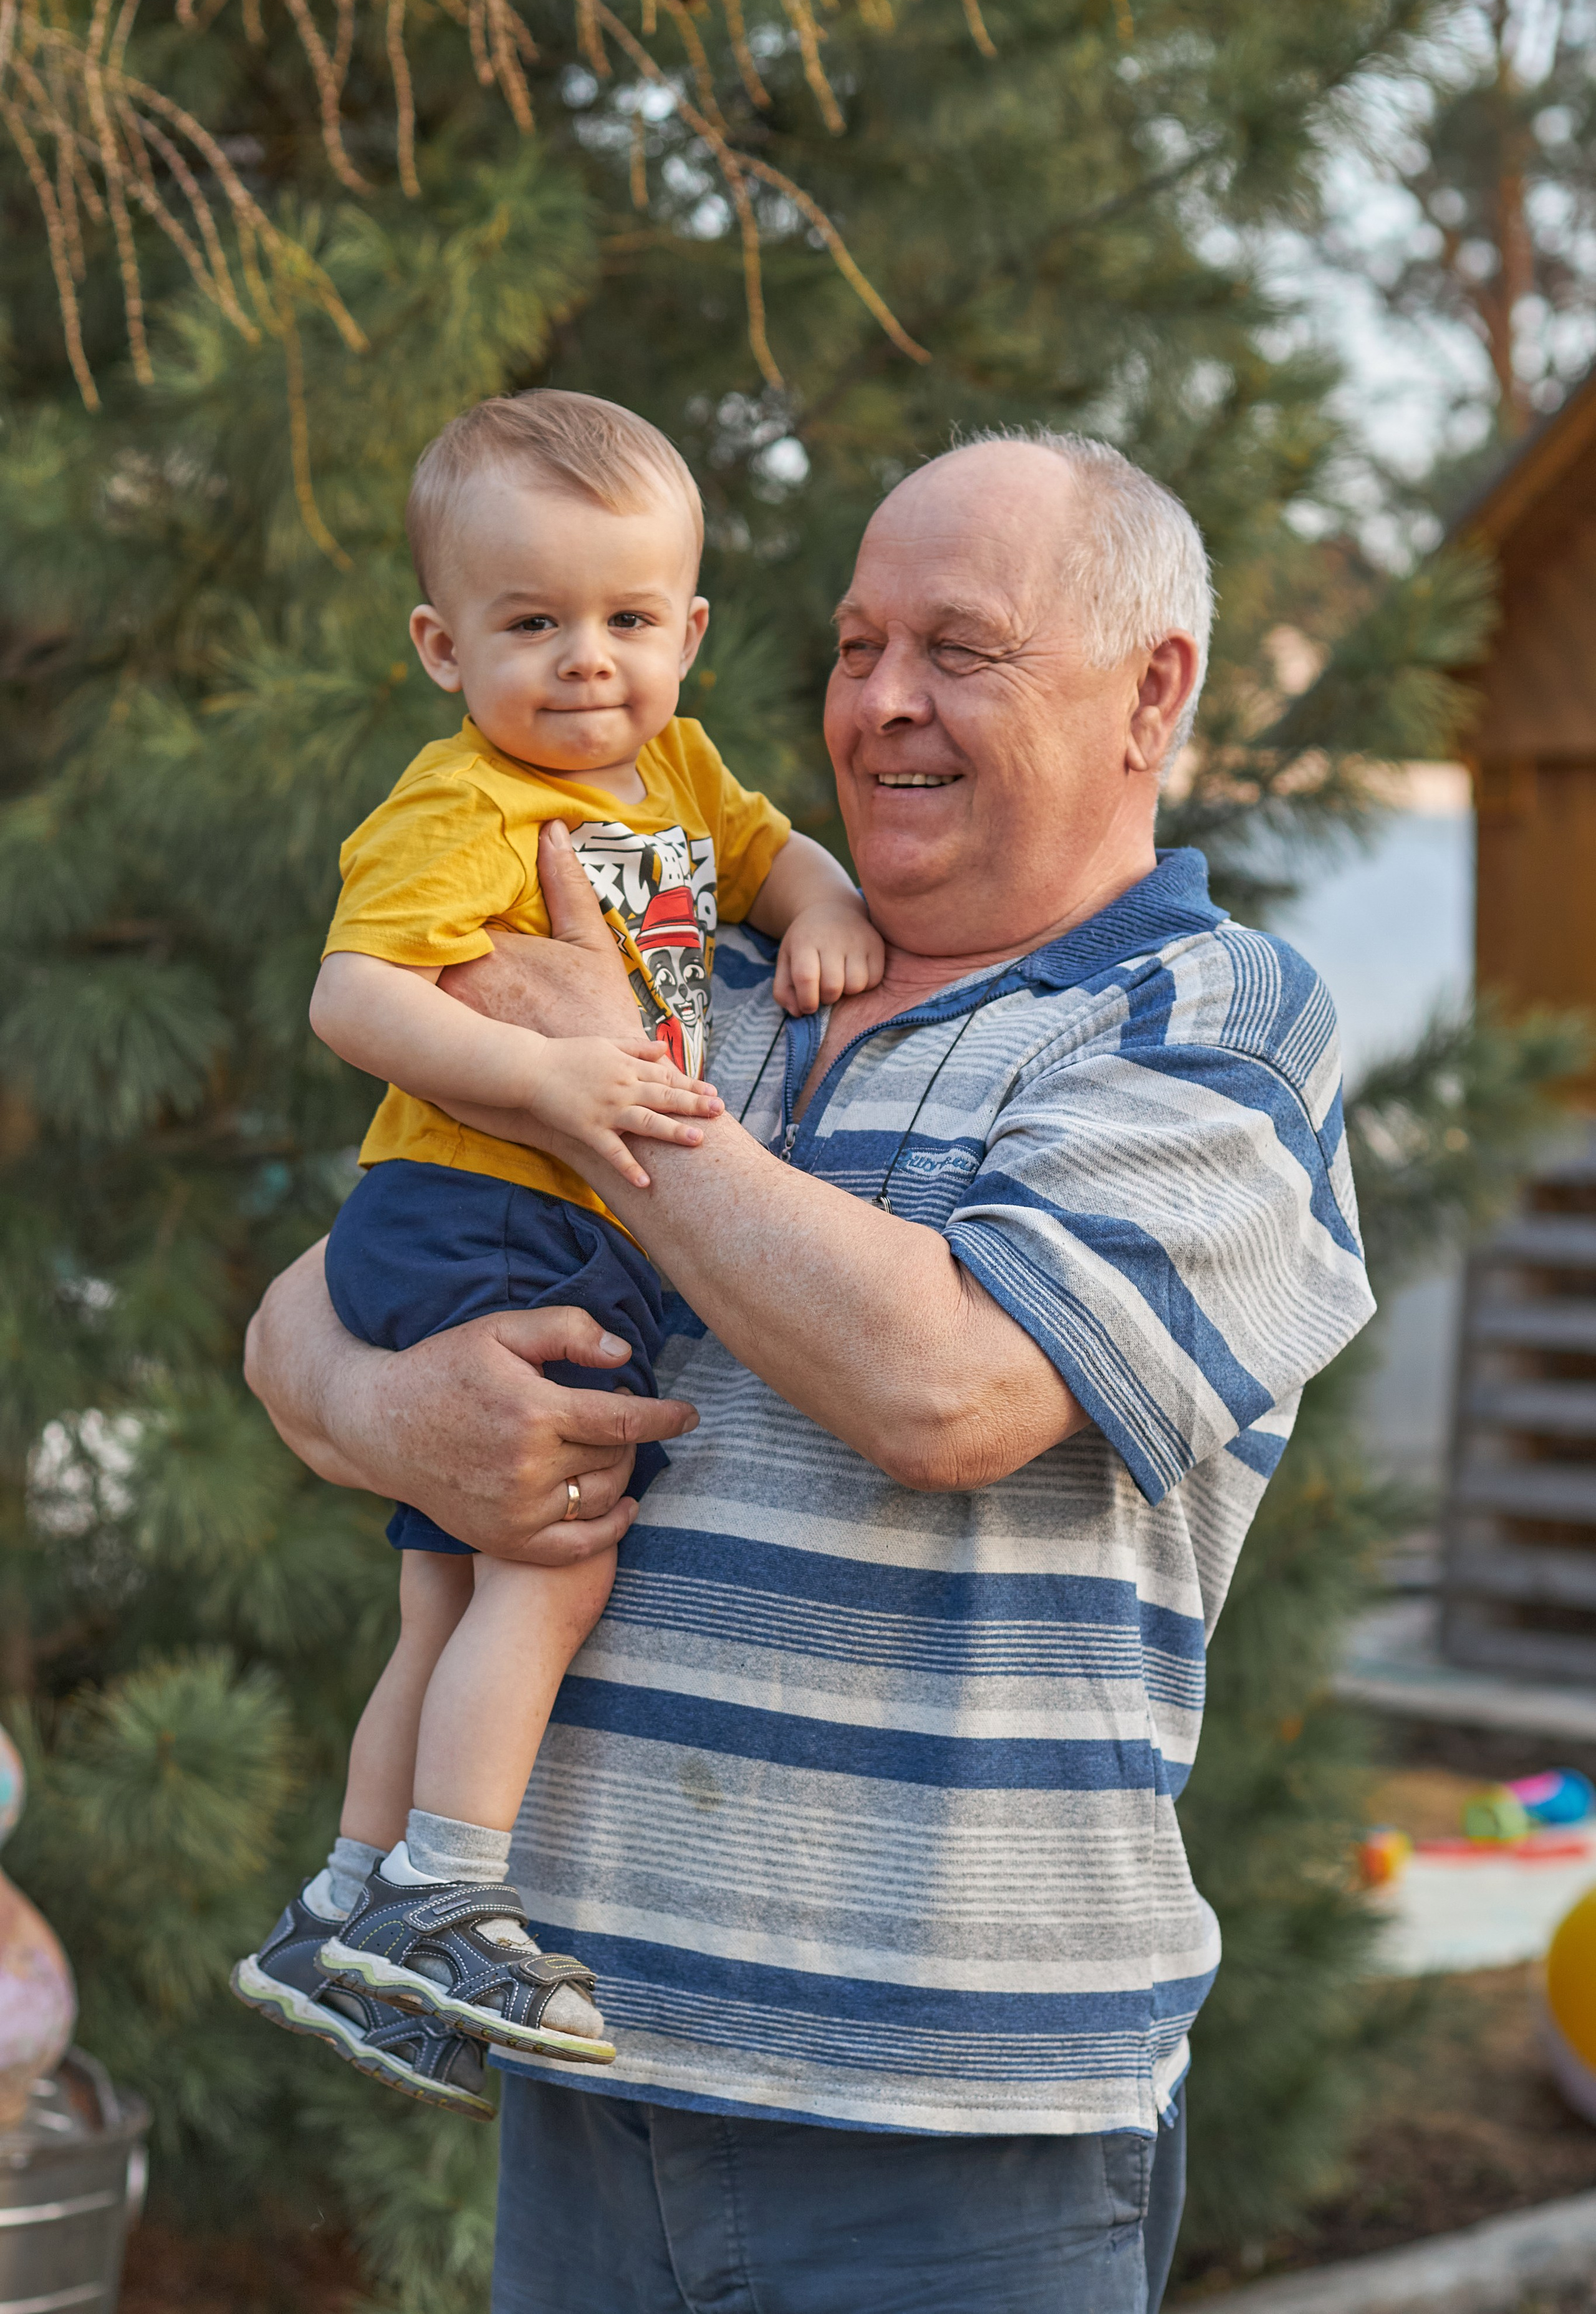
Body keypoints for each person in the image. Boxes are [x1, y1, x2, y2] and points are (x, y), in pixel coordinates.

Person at [246, 431, 1377, 2312]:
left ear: (1150, 690)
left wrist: (629, 1106)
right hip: (588, 2079)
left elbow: (951, 1392)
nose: (881, 704)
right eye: (856, 647)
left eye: (960, 647)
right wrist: (401, 1418)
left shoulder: (1214, 1024)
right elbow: (306, 1313)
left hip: (943, 2136)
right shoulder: (728, 986)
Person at [230, 390, 884, 2114]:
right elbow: (353, 994)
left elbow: (770, 853)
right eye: (531, 625)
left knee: (444, 1590)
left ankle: (344, 1905)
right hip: (487, 1214)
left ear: (689, 631)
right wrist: (547, 1071)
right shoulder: (464, 802)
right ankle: (455, 1882)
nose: (584, 663)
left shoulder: (672, 769)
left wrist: (816, 909)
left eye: (623, 620)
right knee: (555, 1554)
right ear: (445, 647)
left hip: (515, 1223)